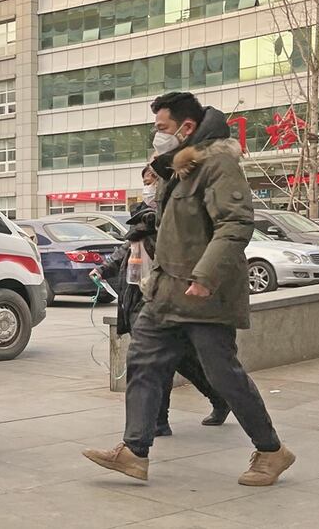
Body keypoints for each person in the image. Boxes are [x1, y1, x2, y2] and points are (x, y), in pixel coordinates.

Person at [83, 92, 295, 486]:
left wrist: (205, 275)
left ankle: (271, 450)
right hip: (165, 293)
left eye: (161, 128)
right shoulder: (179, 169)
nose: (155, 135)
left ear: (187, 128)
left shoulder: (217, 165)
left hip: (204, 295)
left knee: (223, 374)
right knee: (142, 360)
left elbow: (235, 225)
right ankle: (134, 451)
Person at [92, 166, 229, 437]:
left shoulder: (169, 216)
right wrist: (104, 267)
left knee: (166, 361)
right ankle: (213, 402)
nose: (148, 188)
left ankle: (161, 421)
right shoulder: (141, 218)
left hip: (167, 297)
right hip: (140, 297)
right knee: (173, 361)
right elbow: (126, 249)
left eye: (152, 182)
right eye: (144, 182)